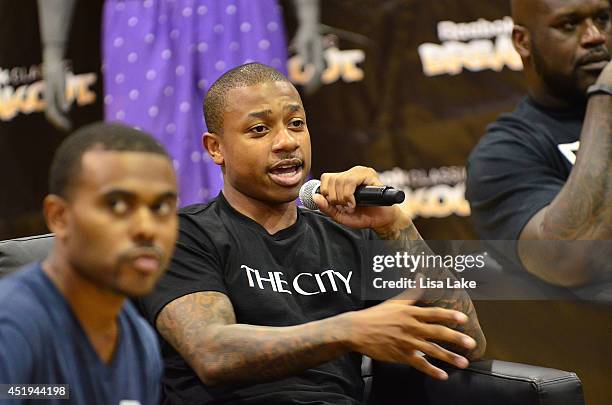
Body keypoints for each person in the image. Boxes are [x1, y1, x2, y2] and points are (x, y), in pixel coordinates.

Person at [139, 62, 486, 404]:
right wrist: (348, 330)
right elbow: (213, 353)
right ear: (216, 148)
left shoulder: (350, 236)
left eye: (296, 124)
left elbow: (463, 341)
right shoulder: (186, 234)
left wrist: (394, 224)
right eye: (259, 130)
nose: (286, 142)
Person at [37, 0, 324, 207]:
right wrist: (53, 49)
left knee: (260, 148)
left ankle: (273, 278)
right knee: (142, 167)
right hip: (140, 18)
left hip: (240, 13)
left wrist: (310, 17)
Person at [0, 122, 179, 404]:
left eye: (161, 208)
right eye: (118, 205)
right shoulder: (12, 324)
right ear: (59, 216)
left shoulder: (140, 340)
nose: (147, 228)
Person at [466, 0, 612, 288]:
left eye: (603, 18)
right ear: (522, 41)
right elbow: (568, 261)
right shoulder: (504, 153)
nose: (595, 35)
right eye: (568, 25)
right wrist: (605, 95)